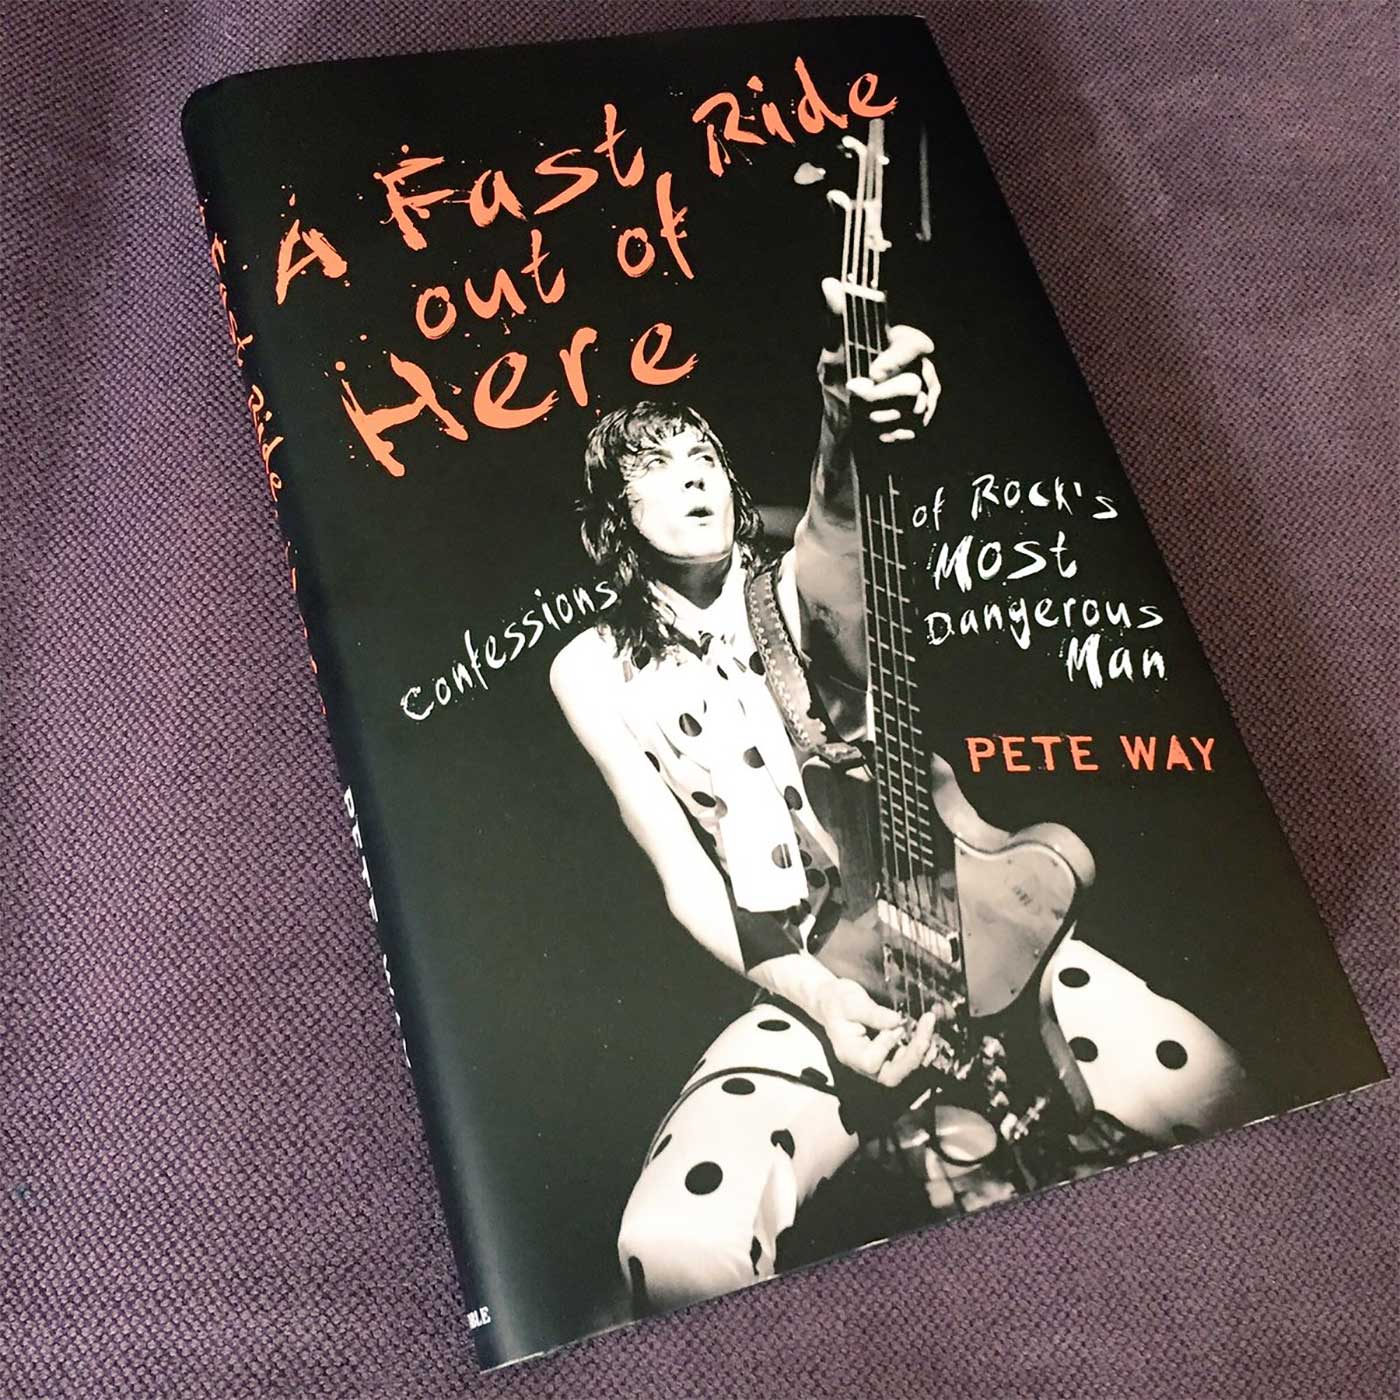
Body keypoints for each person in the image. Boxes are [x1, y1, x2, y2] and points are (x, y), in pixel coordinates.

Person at [550, 281, 1260, 1314]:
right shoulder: (592, 670)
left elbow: (837, 541)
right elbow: (684, 875)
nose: (694, 476)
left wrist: (848, 420)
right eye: (658, 468)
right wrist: (827, 1005)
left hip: (978, 940)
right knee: (674, 1241)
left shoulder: (785, 587)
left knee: (1222, 1093)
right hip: (818, 983)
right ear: (619, 513)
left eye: (702, 456)